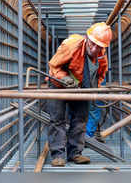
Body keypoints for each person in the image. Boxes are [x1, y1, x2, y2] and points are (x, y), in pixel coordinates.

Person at [47, 22, 112, 167]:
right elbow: (53, 66)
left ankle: (75, 153)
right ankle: (58, 155)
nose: (95, 49)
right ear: (87, 38)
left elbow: (100, 75)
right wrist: (63, 78)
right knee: (57, 119)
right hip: (58, 85)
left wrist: (93, 89)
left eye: (100, 47)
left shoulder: (101, 56)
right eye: (93, 44)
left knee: (80, 118)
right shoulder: (71, 46)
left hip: (81, 87)